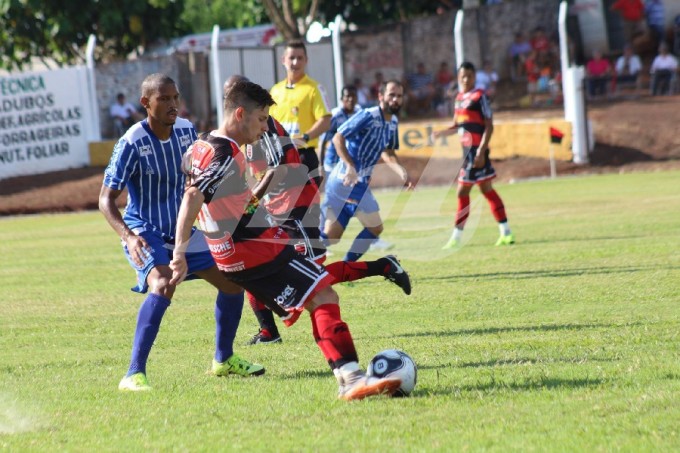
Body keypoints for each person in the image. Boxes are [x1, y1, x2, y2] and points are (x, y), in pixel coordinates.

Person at [169, 79, 406, 401]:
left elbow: (198, 192)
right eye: (263, 119)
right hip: (255, 247)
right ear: (241, 114)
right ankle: (350, 377)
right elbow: (194, 195)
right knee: (322, 296)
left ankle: (342, 373)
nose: (266, 127)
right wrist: (180, 254)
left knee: (318, 292)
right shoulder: (227, 153)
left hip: (230, 254)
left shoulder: (200, 146)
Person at [99, 73, 263, 392]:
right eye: (165, 99)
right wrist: (128, 237)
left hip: (182, 230)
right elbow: (105, 199)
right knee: (162, 284)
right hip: (144, 230)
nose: (173, 104)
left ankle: (224, 360)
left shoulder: (188, 131)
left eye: (176, 97)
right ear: (146, 103)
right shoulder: (132, 142)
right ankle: (133, 373)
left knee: (232, 281)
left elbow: (199, 179)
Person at [222, 76, 410, 345]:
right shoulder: (242, 131)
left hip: (294, 208)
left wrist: (251, 201)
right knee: (253, 267)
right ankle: (268, 331)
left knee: (313, 276)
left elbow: (278, 169)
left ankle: (382, 267)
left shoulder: (265, 128)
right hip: (274, 209)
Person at [321, 80, 414, 263]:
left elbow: (388, 152)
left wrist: (402, 172)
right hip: (346, 179)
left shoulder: (393, 122)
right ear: (381, 96)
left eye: (399, 96)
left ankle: (297, 253)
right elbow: (338, 138)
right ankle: (346, 267)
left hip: (356, 182)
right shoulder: (368, 115)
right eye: (391, 95)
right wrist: (350, 166)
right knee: (375, 228)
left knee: (332, 236)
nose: (395, 99)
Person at [431, 62, 514, 249]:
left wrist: (481, 151)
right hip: (466, 154)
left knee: (465, 191)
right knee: (485, 190)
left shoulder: (480, 96)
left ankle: (456, 238)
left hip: (476, 153)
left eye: (469, 76)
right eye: (463, 76)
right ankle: (506, 232)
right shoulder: (459, 98)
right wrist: (440, 133)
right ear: (458, 78)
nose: (466, 79)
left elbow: (489, 125)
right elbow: (457, 126)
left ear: (475, 77)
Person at [269, 39, 331, 187]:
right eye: (291, 58)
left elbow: (325, 120)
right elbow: (268, 122)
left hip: (304, 155)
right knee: (281, 207)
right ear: (283, 60)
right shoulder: (275, 91)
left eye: (300, 58)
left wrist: (304, 138)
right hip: (280, 157)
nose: (295, 62)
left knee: (308, 207)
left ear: (306, 61)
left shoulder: (314, 88)